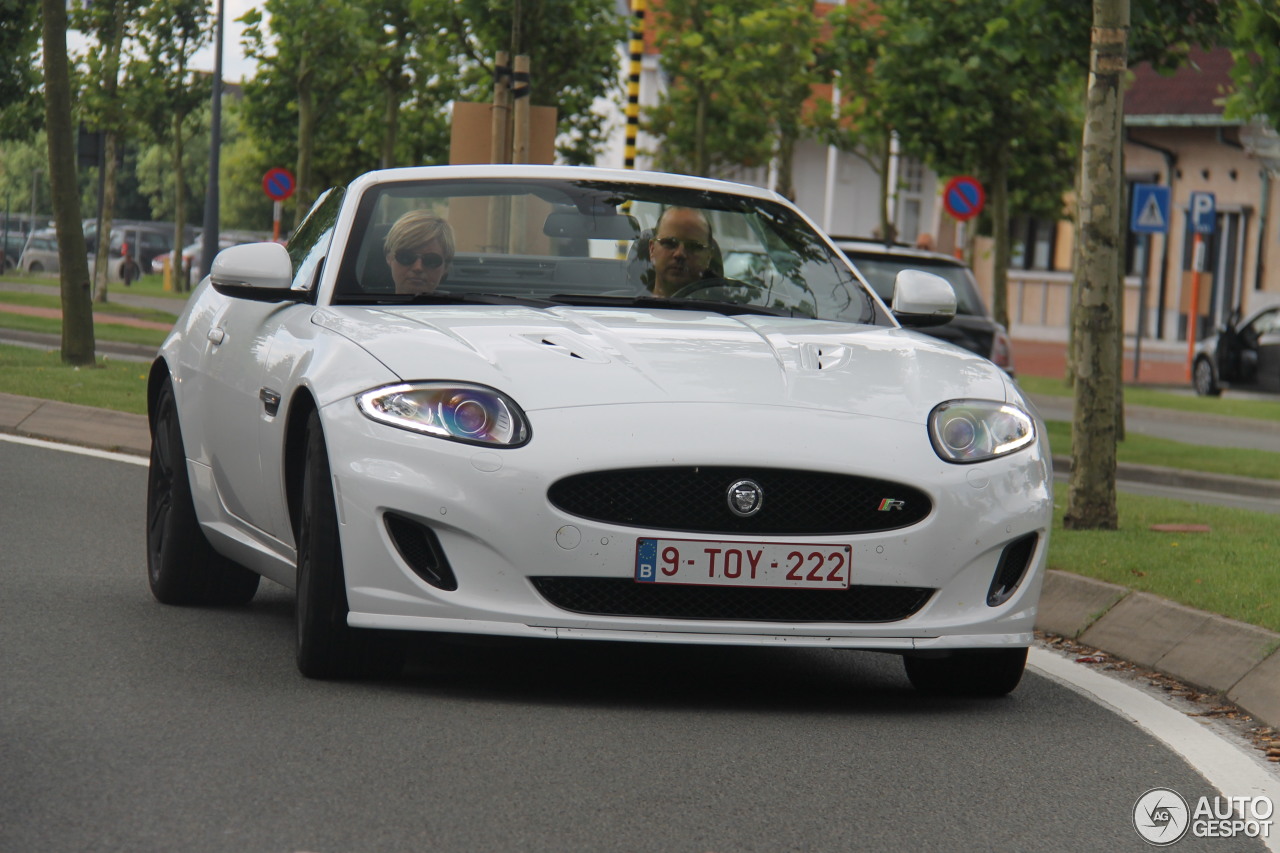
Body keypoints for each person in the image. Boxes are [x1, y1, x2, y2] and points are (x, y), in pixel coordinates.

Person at [647, 206, 716, 297]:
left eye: (692, 246)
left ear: (708, 257)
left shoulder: (729, 308)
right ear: (652, 249)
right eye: (670, 243)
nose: (679, 254)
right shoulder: (627, 307)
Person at [384, 210, 455, 295]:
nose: (418, 268)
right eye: (406, 257)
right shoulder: (366, 304)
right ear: (389, 258)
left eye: (431, 260)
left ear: (445, 267)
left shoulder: (465, 307)